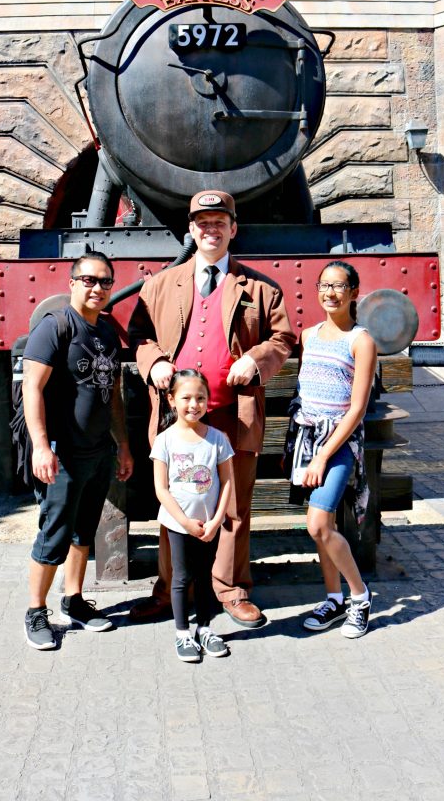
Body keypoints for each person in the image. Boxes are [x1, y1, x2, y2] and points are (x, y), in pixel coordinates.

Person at [128, 189, 296, 628]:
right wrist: (155, 362)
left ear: (233, 229)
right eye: (202, 222)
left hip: (231, 417)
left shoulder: (260, 288)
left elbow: (282, 339)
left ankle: (231, 589)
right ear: (190, 229)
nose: (211, 229)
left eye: (220, 222)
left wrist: (255, 360)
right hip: (176, 424)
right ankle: (169, 590)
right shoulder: (160, 285)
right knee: (174, 506)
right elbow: (139, 337)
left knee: (234, 508)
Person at [22, 252, 134, 650]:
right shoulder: (56, 327)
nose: (97, 288)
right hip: (63, 452)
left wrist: (122, 446)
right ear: (72, 282)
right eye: (89, 279)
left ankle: (74, 600)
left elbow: (113, 395)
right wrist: (40, 447)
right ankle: (35, 611)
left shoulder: (105, 332)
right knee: (53, 534)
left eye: (105, 281)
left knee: (84, 531)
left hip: (98, 451)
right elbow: (31, 388)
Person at [283, 261, 377, 639]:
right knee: (327, 528)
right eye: (324, 286)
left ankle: (359, 596)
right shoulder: (308, 336)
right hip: (307, 438)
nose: (330, 293)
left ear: (354, 292)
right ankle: (334, 598)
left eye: (339, 287)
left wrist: (323, 455)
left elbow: (357, 408)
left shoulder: (361, 340)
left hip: (339, 443)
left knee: (318, 524)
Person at [152, 370, 233, 662]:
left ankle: (205, 627)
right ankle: (182, 632)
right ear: (171, 399)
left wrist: (216, 521)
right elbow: (161, 489)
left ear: (208, 401)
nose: (194, 404)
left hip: (210, 524)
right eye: (186, 397)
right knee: (181, 576)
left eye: (201, 398)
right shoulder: (165, 441)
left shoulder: (218, 439)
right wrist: (185, 522)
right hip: (179, 523)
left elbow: (227, 483)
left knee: (204, 575)